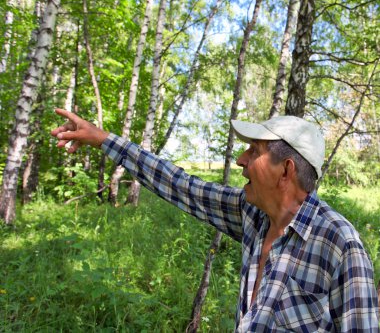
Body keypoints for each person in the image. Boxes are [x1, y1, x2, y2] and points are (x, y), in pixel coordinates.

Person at [51, 108, 379, 332]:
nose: (240, 160)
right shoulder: (253, 215)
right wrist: (103, 139)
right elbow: (179, 185)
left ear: (286, 171)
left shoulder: (339, 244)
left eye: (253, 151)